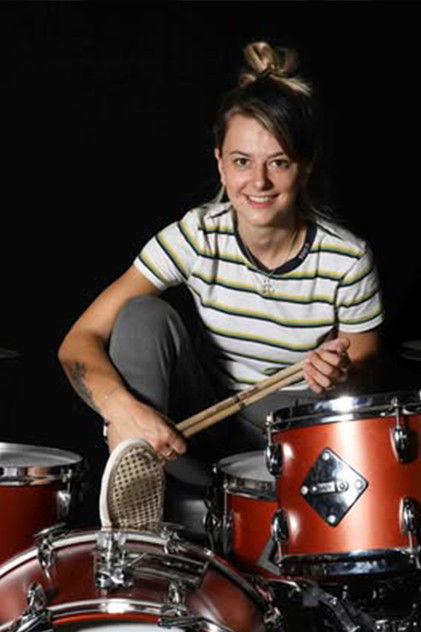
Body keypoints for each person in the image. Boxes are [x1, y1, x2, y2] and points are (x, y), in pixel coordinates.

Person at [58, 41, 383, 533]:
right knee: (141, 316)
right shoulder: (196, 235)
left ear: (306, 165)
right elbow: (78, 342)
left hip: (291, 449)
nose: (259, 182)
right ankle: (137, 491)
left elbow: (365, 371)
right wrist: (122, 411)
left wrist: (341, 374)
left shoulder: (347, 258)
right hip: (195, 436)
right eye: (242, 161)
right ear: (220, 163)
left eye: (279, 162)